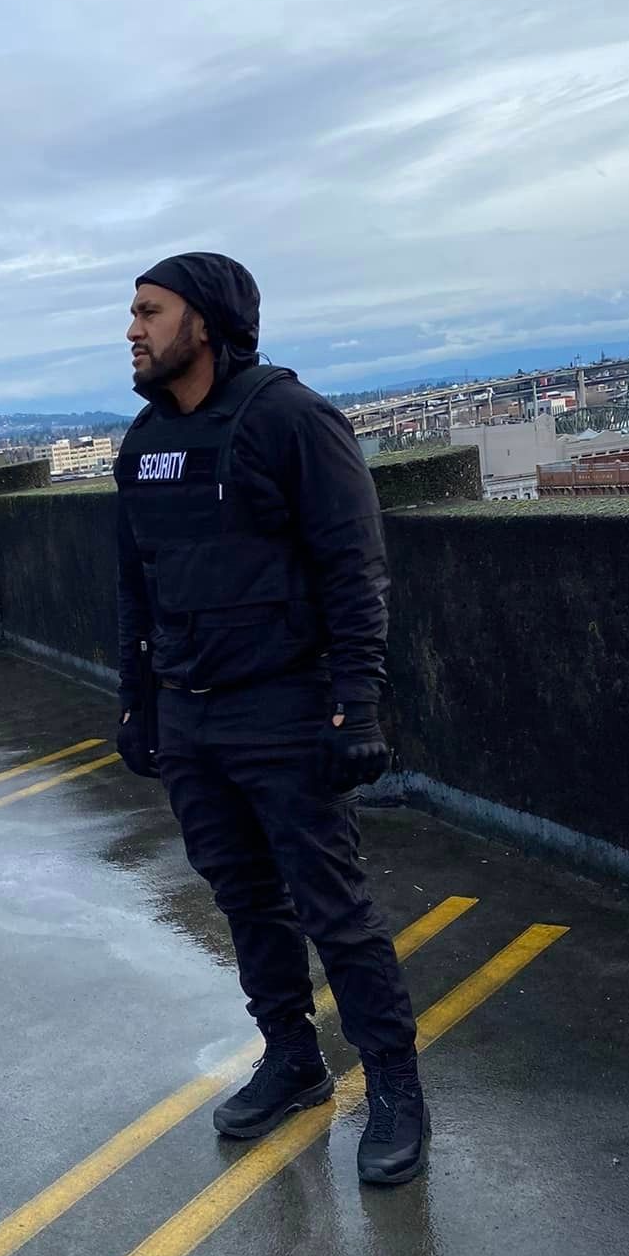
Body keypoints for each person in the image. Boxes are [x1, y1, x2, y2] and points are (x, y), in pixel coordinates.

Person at [114, 252, 428, 1185]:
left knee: (335, 909)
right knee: (243, 901)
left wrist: (357, 705)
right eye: (131, 314)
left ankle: (397, 1087)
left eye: (149, 312)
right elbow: (136, 585)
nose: (131, 330)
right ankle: (292, 1059)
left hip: (285, 712)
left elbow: (353, 570)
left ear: (202, 323)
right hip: (191, 719)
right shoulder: (141, 443)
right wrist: (138, 704)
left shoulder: (292, 419)